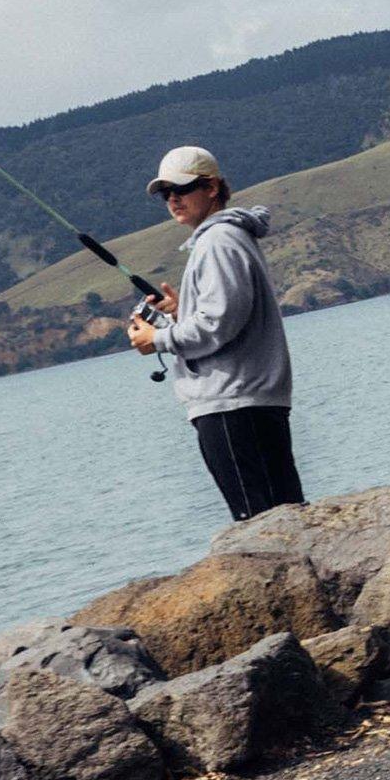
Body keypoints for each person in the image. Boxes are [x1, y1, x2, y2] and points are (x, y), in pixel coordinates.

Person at [123, 144, 306, 521]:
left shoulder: (218, 242)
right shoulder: (226, 238)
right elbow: (224, 318)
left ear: (211, 187)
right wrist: (181, 313)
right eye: (165, 194)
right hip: (245, 401)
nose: (173, 199)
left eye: (182, 188)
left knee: (263, 524)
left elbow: (217, 324)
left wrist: (157, 339)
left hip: (233, 405)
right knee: (285, 517)